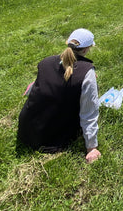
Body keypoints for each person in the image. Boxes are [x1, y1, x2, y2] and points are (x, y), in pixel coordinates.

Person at [17, 28, 101, 163]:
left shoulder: (46, 62)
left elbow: (42, 84)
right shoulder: (87, 72)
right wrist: (92, 147)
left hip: (27, 131)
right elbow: (89, 112)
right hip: (52, 139)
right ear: (86, 49)